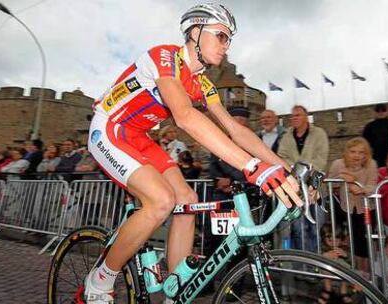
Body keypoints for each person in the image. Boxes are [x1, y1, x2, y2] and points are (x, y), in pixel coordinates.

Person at [85, 4, 303, 303]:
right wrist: (253, 166)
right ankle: (100, 280)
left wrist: (284, 168)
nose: (226, 47)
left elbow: (236, 130)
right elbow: (185, 117)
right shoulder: (164, 57)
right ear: (196, 32)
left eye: (229, 40)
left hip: (141, 138)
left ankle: (176, 287)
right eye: (221, 36)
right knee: (161, 201)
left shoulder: (204, 85)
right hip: (110, 128)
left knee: (187, 200)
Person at [278, 105, 329, 252]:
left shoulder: (319, 134)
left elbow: (321, 158)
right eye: (292, 116)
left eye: (298, 115)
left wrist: (305, 169)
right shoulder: (287, 136)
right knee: (299, 229)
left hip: (315, 189)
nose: (294, 118)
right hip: (296, 190)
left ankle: (317, 264)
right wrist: (295, 171)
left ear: (306, 116)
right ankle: (304, 268)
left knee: (316, 229)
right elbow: (281, 157)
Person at [328, 137, 378, 276]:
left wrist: (359, 187)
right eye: (353, 151)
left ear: (366, 154)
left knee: (365, 243)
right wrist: (342, 180)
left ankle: (368, 276)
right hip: (346, 209)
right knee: (352, 242)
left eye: (361, 152)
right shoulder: (338, 164)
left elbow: (373, 186)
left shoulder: (371, 164)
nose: (357, 155)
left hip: (367, 208)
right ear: (346, 152)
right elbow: (331, 184)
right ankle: (356, 275)